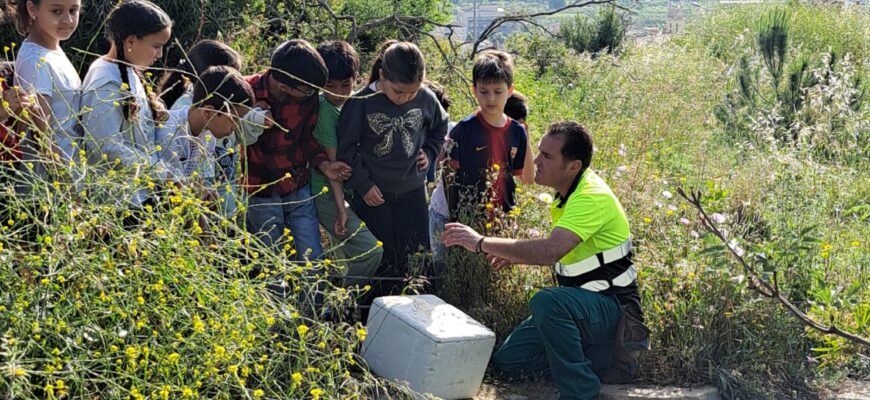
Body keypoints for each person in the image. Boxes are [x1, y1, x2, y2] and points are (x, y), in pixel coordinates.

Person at [443, 121, 647, 400]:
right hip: (584, 309)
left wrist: (480, 242)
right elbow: (564, 252)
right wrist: (512, 255)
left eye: (547, 156)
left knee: (547, 302)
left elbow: (550, 251)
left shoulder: (590, 197)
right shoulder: (567, 192)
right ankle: (603, 356)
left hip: (614, 311)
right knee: (510, 362)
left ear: (573, 166)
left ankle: (581, 391)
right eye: (539, 151)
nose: (536, 160)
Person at [337, 40, 447, 299]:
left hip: (413, 192)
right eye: (398, 92)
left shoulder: (425, 97)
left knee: (417, 254)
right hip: (375, 195)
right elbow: (346, 150)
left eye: (412, 93)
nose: (405, 98)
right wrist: (363, 184)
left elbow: (440, 127)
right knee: (384, 258)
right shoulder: (361, 103)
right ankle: (375, 311)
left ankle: (419, 306)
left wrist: (429, 152)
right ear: (382, 76)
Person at [242, 39, 349, 260]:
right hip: (260, 191)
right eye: (308, 90)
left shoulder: (308, 96)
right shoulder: (246, 91)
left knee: (313, 257)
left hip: (297, 186)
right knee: (270, 261)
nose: (314, 94)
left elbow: (306, 139)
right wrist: (249, 116)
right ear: (284, 86)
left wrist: (324, 164)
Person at [429, 50, 532, 271]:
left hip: (496, 221)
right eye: (484, 91)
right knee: (448, 273)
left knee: (491, 274)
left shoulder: (517, 132)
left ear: (510, 91)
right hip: (457, 218)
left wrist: (507, 219)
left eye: (498, 91)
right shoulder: (463, 130)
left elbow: (521, 178)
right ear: (474, 90)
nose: (491, 99)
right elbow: (449, 177)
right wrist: (456, 221)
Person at [80, 0, 172, 207]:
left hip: (139, 194)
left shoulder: (129, 70)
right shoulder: (106, 82)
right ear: (130, 42)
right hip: (117, 202)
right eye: (156, 46)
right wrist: (159, 172)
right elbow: (106, 146)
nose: (160, 55)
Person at [310, 40, 382, 288]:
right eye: (330, 86)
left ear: (356, 79)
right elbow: (334, 168)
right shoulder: (325, 110)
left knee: (343, 258)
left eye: (345, 85)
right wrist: (341, 210)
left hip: (343, 190)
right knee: (370, 251)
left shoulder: (352, 105)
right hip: (324, 192)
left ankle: (342, 303)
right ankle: (348, 298)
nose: (338, 93)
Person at [157, 40, 248, 217]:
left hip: (196, 206)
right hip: (171, 211)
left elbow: (201, 178)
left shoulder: (208, 129)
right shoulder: (182, 117)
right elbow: (171, 183)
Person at [9, 0, 83, 184]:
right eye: (56, 11)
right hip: (50, 185)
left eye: (73, 10)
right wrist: (70, 190)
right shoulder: (35, 59)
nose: (68, 20)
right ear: (32, 9)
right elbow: (42, 136)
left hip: (72, 170)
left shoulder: (52, 49)